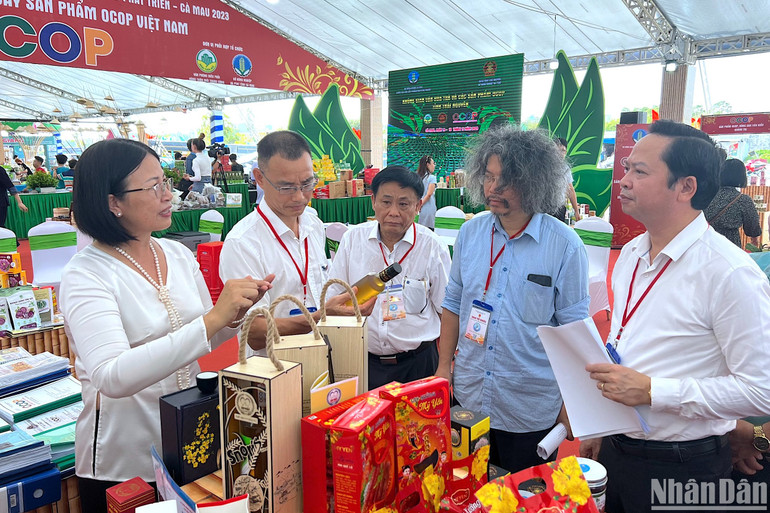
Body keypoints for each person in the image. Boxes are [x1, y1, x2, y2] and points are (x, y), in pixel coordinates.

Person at [59, 138, 272, 513]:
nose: (168, 195)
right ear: (113, 203)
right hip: (124, 462)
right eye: (154, 187)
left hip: (188, 441)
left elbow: (208, 333)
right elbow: (112, 376)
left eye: (167, 183)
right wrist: (213, 319)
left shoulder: (173, 252)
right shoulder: (86, 274)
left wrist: (235, 312)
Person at [580, 120, 770, 513]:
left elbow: (760, 389)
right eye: (627, 168)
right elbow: (623, 344)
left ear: (686, 187)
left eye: (639, 171)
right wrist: (601, 424)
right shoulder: (631, 254)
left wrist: (654, 391)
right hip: (617, 449)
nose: (624, 180)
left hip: (684, 468)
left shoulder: (729, 272)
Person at [436, 125, 589, 474]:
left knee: (522, 498)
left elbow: (574, 332)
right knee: (465, 488)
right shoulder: (470, 234)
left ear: (535, 182)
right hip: (470, 394)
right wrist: (444, 367)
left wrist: (571, 400)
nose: (492, 188)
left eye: (506, 181)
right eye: (488, 177)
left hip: (530, 407)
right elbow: (453, 304)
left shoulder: (565, 246)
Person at [220, 130, 373, 352]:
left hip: (323, 357)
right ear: (259, 178)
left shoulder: (312, 222)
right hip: (275, 370)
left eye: (307, 184)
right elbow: (253, 333)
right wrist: (321, 316)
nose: (300, 196)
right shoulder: (243, 243)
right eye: (286, 187)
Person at [328, 166, 451, 389]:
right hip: (363, 363)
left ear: (418, 206)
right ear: (373, 201)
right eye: (386, 202)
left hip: (418, 364)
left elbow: (447, 310)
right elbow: (334, 298)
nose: (393, 212)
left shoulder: (432, 246)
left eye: (403, 204)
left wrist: (446, 365)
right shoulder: (352, 240)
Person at [704, 158, 761, 248]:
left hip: (705, 241)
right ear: (741, 177)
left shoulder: (706, 195)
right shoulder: (742, 200)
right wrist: (755, 241)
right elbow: (752, 227)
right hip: (729, 244)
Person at [552, 138, 580, 223]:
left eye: (563, 151)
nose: (560, 154)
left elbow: (570, 190)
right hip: (544, 208)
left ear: (566, 153)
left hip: (560, 208)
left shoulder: (565, 168)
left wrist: (576, 211)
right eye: (557, 150)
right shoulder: (543, 167)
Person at [416, 155, 437, 230]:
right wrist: (421, 205)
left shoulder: (417, 177)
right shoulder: (432, 178)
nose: (434, 166)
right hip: (427, 207)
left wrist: (417, 205)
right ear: (428, 165)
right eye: (433, 163)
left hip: (417, 208)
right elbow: (429, 194)